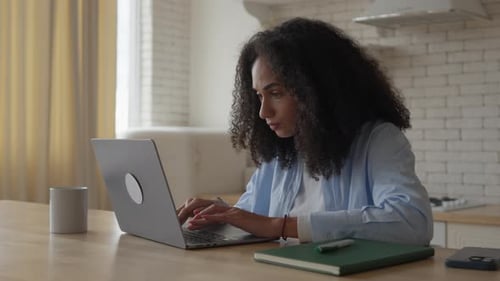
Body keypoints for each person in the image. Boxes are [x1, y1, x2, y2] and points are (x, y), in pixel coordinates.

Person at [177, 17, 433, 245]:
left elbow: (414, 223)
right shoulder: (280, 153)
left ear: (318, 90)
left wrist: (281, 226)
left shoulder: (378, 139)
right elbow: (252, 217)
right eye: (259, 96)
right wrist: (222, 214)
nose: (263, 112)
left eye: (275, 93)